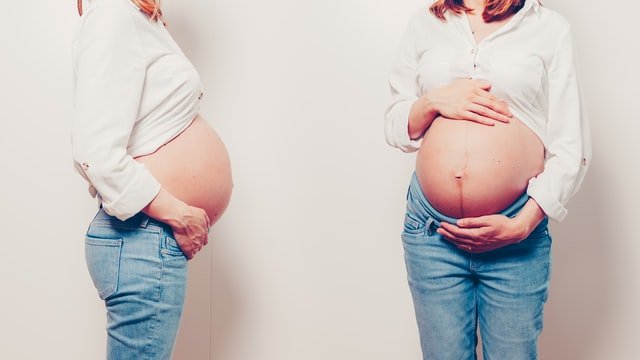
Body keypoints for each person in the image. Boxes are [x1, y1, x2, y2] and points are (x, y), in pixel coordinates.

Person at [385, 0, 590, 358]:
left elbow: (570, 146)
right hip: (432, 234)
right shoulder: (426, 23)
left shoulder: (549, 27)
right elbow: (395, 124)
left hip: (515, 235)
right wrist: (434, 101)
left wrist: (522, 225)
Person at [72, 0, 233, 358]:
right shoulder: (113, 12)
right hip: (142, 236)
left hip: (146, 238)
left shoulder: (137, 18)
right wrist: (177, 212)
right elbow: (94, 153)